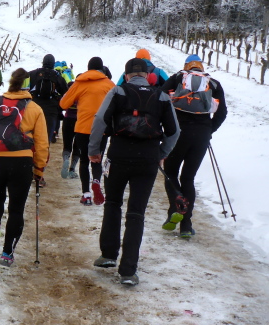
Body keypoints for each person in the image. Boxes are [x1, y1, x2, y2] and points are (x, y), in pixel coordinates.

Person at [89, 58, 180, 285]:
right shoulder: (161, 96)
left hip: (118, 156)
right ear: (148, 76)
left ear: (127, 75)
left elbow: (100, 119)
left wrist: (94, 150)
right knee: (136, 212)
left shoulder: (118, 91)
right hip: (147, 160)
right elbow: (174, 131)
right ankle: (128, 270)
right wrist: (161, 153)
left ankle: (108, 255)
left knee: (113, 204)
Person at [0, 68, 49, 267]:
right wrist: (39, 169)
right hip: (21, 162)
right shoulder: (34, 108)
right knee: (16, 209)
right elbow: (42, 143)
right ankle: (7, 253)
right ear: (28, 86)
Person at [161, 54, 227, 238]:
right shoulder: (213, 84)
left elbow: (160, 98)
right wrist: (209, 130)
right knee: (188, 178)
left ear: (186, 66)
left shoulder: (177, 78)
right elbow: (222, 113)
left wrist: (166, 126)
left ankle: (175, 208)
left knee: (171, 172)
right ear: (201, 67)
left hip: (178, 133)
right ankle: (186, 225)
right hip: (201, 136)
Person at [59, 57, 115, 205]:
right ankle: (96, 181)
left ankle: (86, 195)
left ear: (88, 68)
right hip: (101, 128)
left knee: (84, 160)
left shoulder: (80, 83)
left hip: (83, 128)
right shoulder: (109, 84)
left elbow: (63, 103)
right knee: (97, 159)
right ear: (102, 69)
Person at [28, 54, 69, 148]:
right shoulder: (57, 76)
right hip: (51, 109)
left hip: (34, 106)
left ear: (43, 62)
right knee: (46, 136)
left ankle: (31, 152)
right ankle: (44, 153)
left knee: (32, 133)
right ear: (53, 64)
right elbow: (66, 93)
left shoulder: (33, 74)